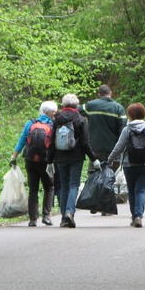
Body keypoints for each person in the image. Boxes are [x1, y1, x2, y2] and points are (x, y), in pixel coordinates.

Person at [53, 94, 100, 228]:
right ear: (76, 105)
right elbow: (85, 143)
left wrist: (50, 161)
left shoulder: (57, 119)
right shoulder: (80, 119)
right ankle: (70, 212)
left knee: (63, 186)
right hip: (76, 157)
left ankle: (63, 219)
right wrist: (94, 158)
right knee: (74, 184)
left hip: (60, 157)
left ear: (63, 104)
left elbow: (51, 141)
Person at [10, 101, 58, 227]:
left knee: (33, 189)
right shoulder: (53, 125)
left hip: (30, 160)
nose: (56, 113)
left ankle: (32, 219)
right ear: (49, 112)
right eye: (55, 111)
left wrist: (14, 156)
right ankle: (46, 216)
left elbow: (22, 140)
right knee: (49, 187)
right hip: (46, 161)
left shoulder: (31, 123)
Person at [79, 84, 127, 171]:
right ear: (111, 93)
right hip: (113, 147)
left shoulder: (91, 106)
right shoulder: (119, 108)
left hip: (95, 146)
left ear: (99, 95)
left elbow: (76, 110)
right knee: (112, 174)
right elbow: (123, 129)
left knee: (95, 173)